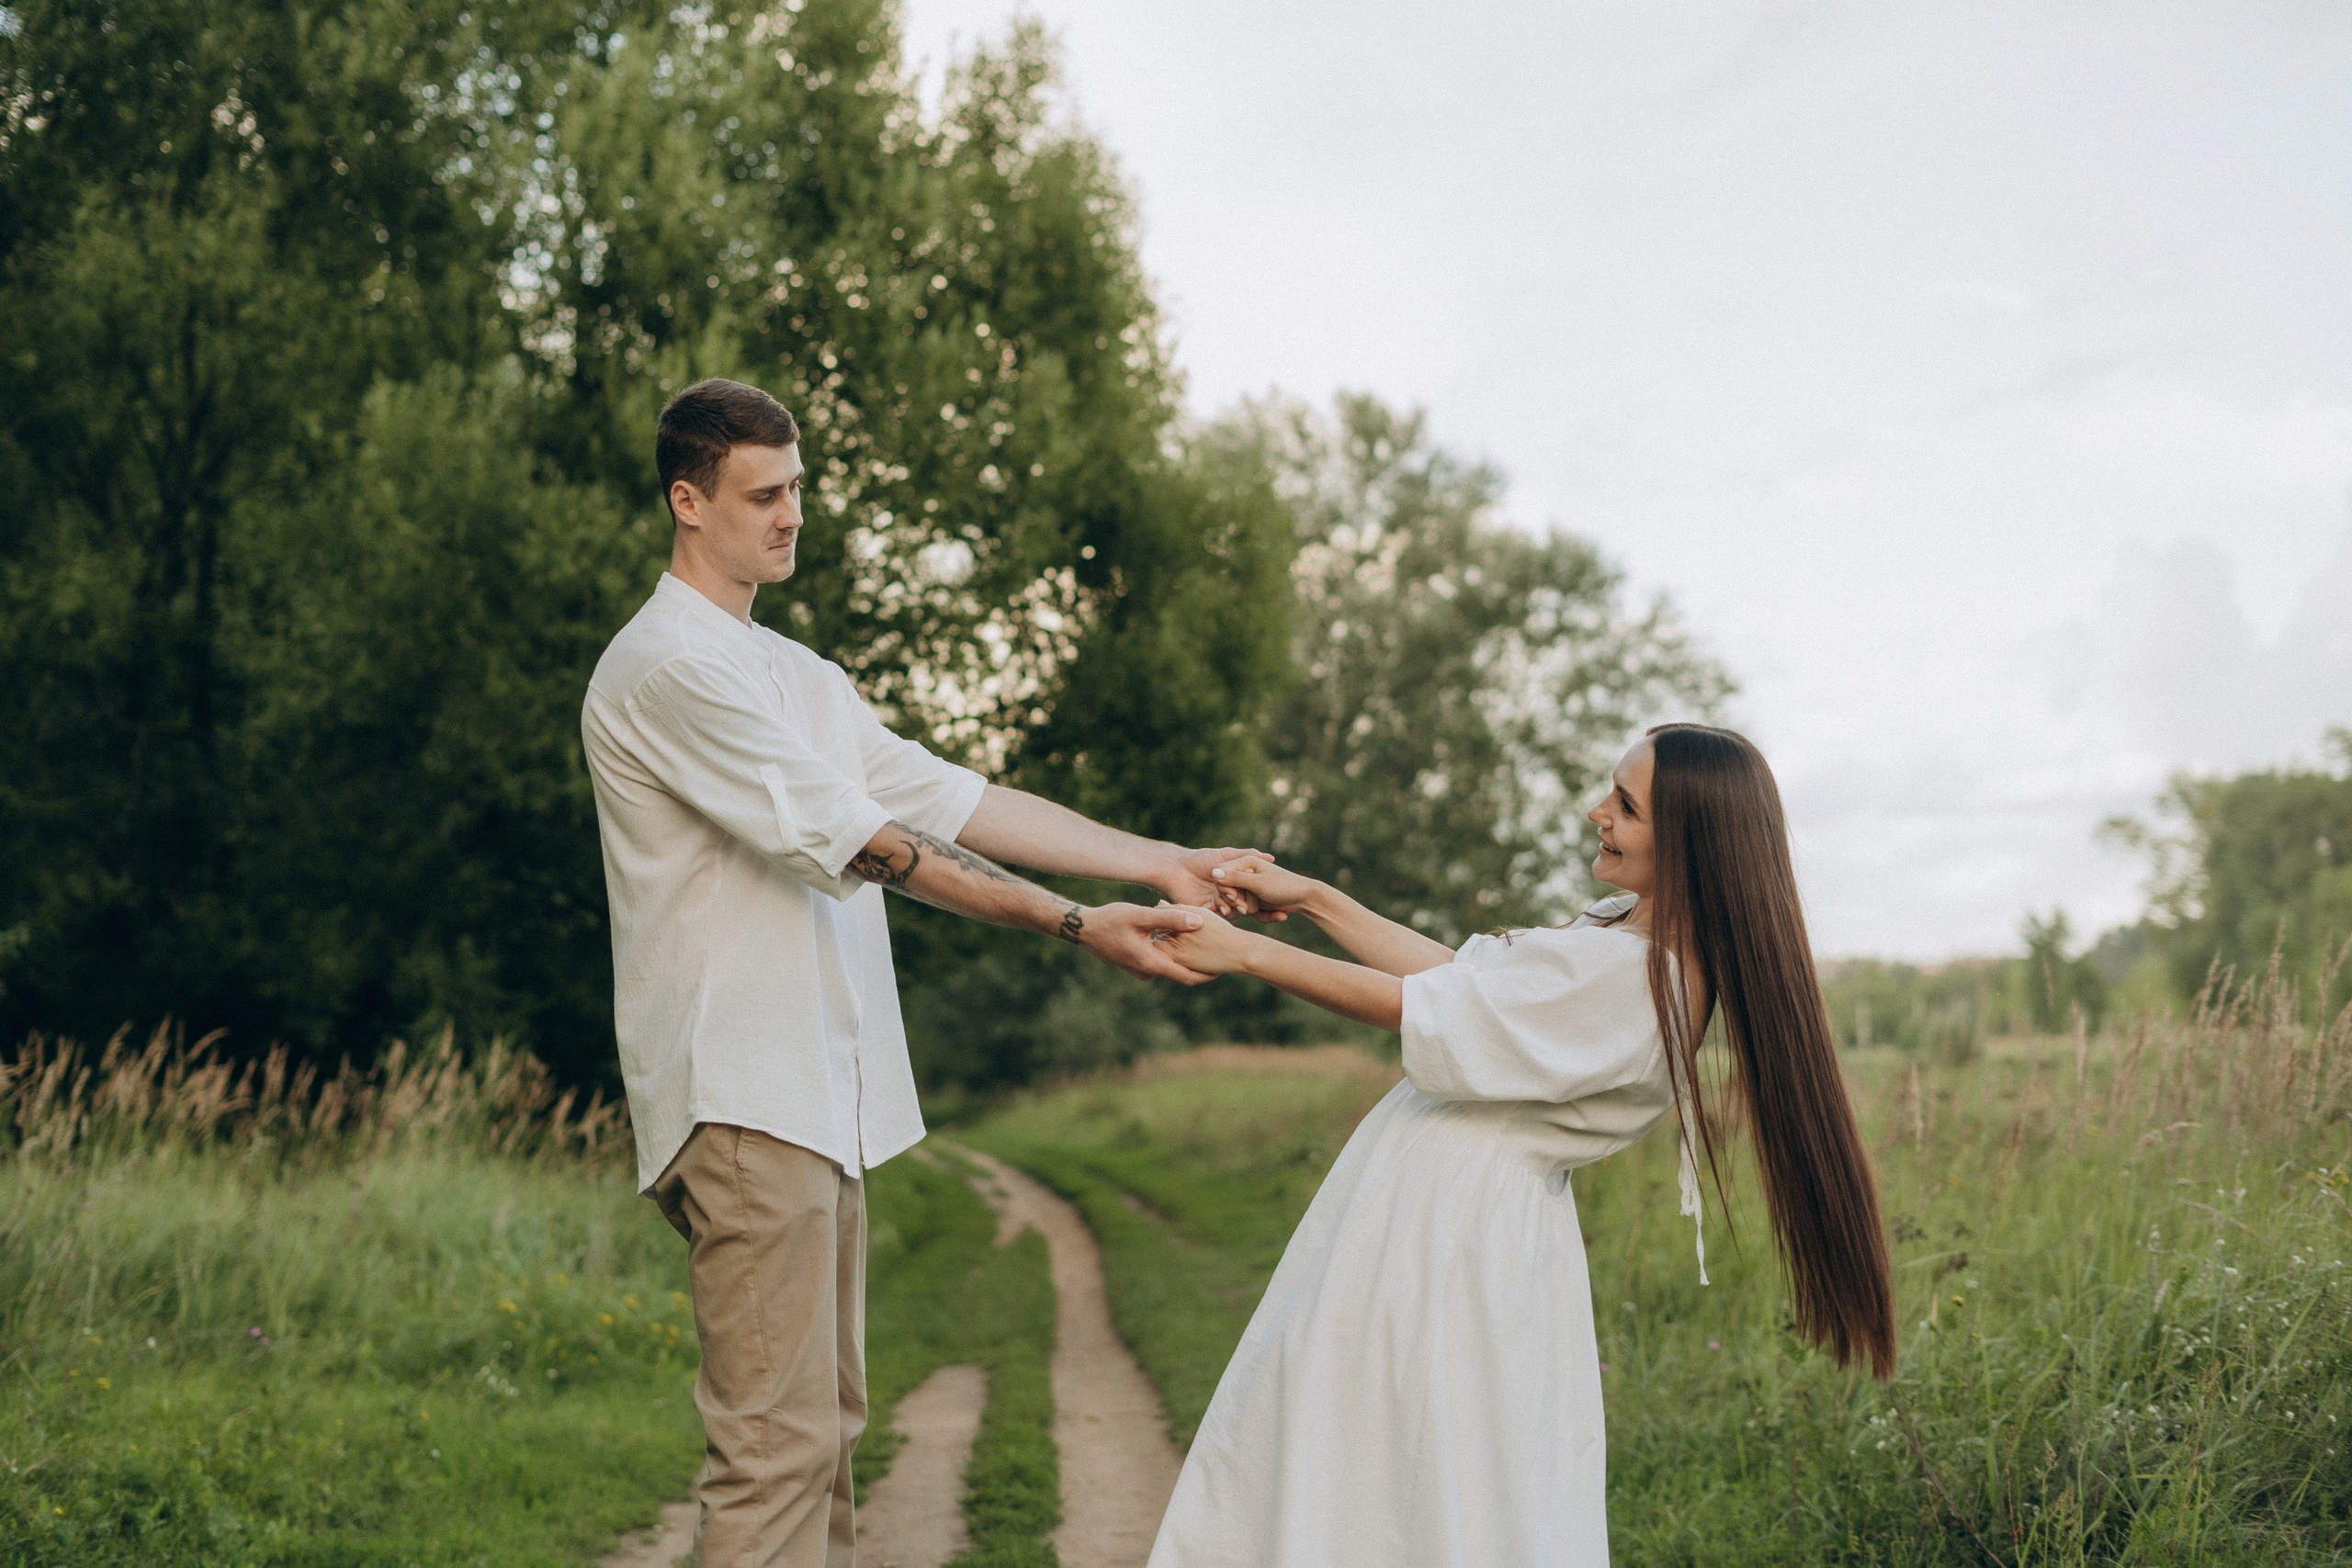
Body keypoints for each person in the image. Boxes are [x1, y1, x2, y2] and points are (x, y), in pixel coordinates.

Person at [582, 378, 1263, 1568]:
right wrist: (1073, 922)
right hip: (743, 1098)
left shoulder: (794, 674)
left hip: (813, 1104)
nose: (792, 515)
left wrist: (1166, 861)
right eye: (763, 494)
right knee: (772, 1454)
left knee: (824, 1441)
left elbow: (959, 799)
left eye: (797, 487)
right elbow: (871, 843)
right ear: (688, 501)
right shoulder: (664, 668)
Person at [1142, 722, 1895, 1568]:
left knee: (1393, 1464)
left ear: (1686, 841)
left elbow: (1421, 1008)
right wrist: (1314, 900)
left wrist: (1247, 953)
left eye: (1625, 805)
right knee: (1366, 1456)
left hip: (1450, 1243)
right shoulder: (1621, 943)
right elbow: (1455, 980)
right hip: (1442, 1223)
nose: (1595, 811)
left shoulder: (1643, 978)